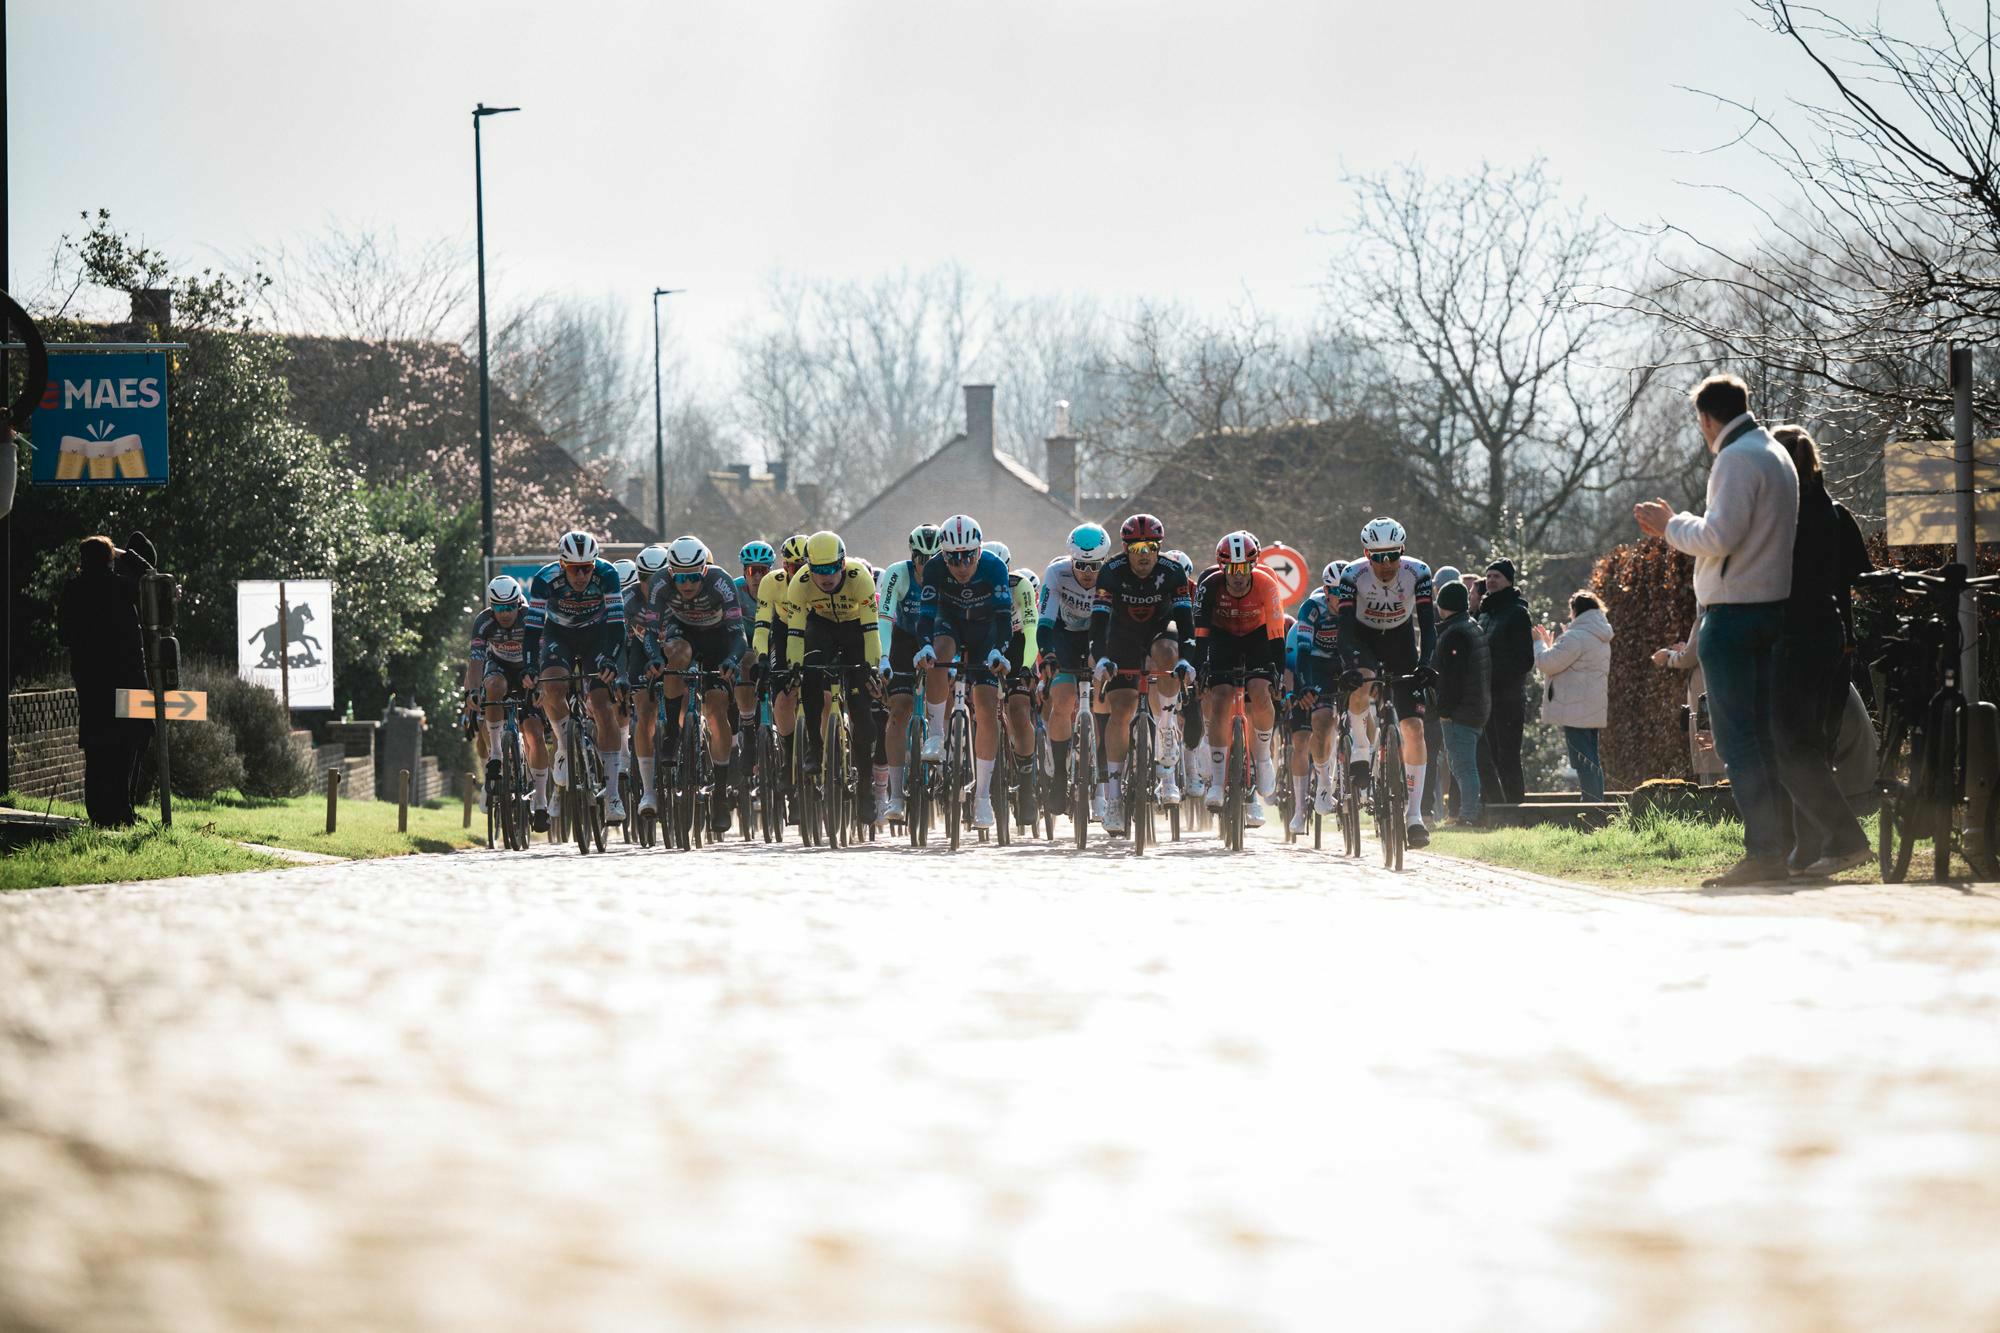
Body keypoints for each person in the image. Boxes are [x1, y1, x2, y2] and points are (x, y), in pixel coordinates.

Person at [1634, 372, 1800, 887]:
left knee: (1735, 739)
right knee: (1767, 736)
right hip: (1774, 610)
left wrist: (1671, 526)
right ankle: (1784, 846)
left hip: (1731, 615)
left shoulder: (1734, 458)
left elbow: (1719, 535)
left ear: (1706, 418)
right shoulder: (1776, 453)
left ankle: (1764, 852)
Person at [1768, 423, 1873, 878]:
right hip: (1837, 640)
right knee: (1815, 746)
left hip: (1798, 637)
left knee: (1790, 744)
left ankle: (1841, 840)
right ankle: (1809, 851)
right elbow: (1859, 576)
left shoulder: (1784, 515)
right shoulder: (1835, 513)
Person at [1333, 517, 1438, 849]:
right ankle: (1362, 750)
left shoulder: (1418, 573)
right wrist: (1350, 664)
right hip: (1364, 640)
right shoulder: (1352, 576)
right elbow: (1345, 629)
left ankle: (1415, 817)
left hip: (1400, 643)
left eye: (1391, 555)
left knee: (1414, 730)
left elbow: (1428, 626)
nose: (1385, 564)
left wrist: (1426, 663)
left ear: (1401, 551)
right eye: (1376, 557)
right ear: (1366, 554)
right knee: (1362, 681)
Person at [1089, 513, 1197, 834]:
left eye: (1150, 547)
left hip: (1159, 631)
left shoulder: (1172, 571)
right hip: (1121, 636)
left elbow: (1186, 623)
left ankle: (1166, 745)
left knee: (1168, 654)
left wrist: (1187, 661)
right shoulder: (1111, 572)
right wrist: (1101, 658)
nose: (1144, 554)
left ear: (1159, 547)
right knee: (1120, 710)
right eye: (1136, 549)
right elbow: (1098, 622)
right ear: (1125, 550)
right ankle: (1113, 799)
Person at [914, 514, 1013, 829]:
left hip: (986, 632)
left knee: (985, 707)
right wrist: (924, 646)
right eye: (953, 558)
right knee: (938, 654)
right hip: (950, 624)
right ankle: (936, 734)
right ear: (943, 555)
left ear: (979, 550)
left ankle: (982, 796)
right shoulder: (933, 569)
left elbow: (1002, 618)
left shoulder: (994, 567)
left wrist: (1000, 650)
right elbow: (926, 616)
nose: (961, 565)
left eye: (968, 556)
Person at [524, 530, 628, 821]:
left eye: (587, 568)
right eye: (574, 569)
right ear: (562, 565)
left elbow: (619, 624)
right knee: (552, 688)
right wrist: (530, 665)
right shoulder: (545, 580)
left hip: (598, 636)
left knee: (602, 706)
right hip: (560, 636)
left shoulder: (607, 575)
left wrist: (611, 657)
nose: (581, 575)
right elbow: (533, 630)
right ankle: (564, 746)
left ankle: (612, 796)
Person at [783, 530, 883, 825]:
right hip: (820, 628)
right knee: (810, 675)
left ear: (842, 563)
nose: (826, 577)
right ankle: (815, 746)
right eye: (818, 570)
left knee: (862, 711)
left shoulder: (859, 577)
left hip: (854, 630)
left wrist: (871, 666)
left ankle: (865, 789)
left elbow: (871, 632)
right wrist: (794, 665)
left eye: (831, 569)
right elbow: (795, 633)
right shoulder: (800, 584)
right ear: (808, 567)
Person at [652, 535, 749, 833]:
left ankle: (720, 794)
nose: (687, 584)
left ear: (704, 571)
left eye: (694, 576)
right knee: (676, 657)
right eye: (680, 577)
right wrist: (652, 658)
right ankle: (672, 732)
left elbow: (739, 635)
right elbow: (650, 632)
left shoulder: (721, 582)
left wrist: (732, 661)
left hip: (719, 639)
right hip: (684, 635)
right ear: (670, 573)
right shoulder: (659, 583)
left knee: (717, 709)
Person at [1192, 530, 1287, 828]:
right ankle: (1218, 783)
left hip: (1258, 637)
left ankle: (1262, 758)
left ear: (1253, 565)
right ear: (1222, 567)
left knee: (1260, 691)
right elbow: (1201, 634)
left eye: (1244, 567)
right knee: (1219, 699)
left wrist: (1277, 673)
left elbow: (1276, 634)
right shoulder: (1209, 586)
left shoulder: (1267, 584)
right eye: (1231, 568)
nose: (1237, 575)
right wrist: (1201, 668)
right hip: (1222, 638)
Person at [56, 535, 152, 826]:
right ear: (110, 559)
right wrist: (126, 554)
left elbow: (63, 636)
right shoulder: (122, 587)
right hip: (128, 677)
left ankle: (98, 813)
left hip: (91, 680)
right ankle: (122, 811)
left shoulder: (73, 590)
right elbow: (151, 576)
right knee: (131, 740)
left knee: (97, 746)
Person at [876, 523, 942, 823]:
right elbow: (886, 618)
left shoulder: (946, 574)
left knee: (943, 700)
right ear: (912, 555)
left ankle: (946, 754)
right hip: (902, 640)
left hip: (938, 636)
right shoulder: (896, 574)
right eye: (920, 559)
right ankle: (897, 795)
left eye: (932, 558)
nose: (925, 566)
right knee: (899, 712)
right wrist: (884, 658)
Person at [1532, 590, 1614, 803]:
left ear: (1575, 610)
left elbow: (1547, 663)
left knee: (1582, 760)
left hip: (1575, 707)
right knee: (1591, 757)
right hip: (1591, 705)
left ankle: (1591, 805)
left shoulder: (1576, 636)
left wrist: (1539, 642)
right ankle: (1595, 801)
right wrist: (1555, 645)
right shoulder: (1599, 635)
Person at [1431, 578, 1489, 824]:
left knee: (1464, 767)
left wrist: (1443, 710)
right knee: (1463, 765)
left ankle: (1468, 815)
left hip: (1460, 711)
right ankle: (1469, 812)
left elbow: (1452, 678)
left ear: (1443, 605)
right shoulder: (1471, 626)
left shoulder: (1454, 634)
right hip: (1476, 706)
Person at [1476, 559, 1532, 805]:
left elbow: (1525, 660)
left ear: (1509, 581)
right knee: (1490, 755)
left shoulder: (1518, 613)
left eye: (1497, 576)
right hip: (1486, 698)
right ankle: (1494, 808)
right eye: (1488, 576)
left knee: (1508, 755)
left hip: (1508, 697)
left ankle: (1515, 808)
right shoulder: (1485, 613)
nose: (1491, 580)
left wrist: (1496, 676)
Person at [1652, 624, 1726, 785]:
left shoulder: (1707, 616)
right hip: (1719, 692)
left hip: (1708, 696)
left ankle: (1714, 805)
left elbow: (1690, 656)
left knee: (1710, 758)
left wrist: (1669, 655)